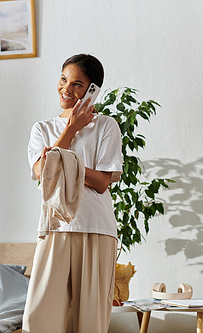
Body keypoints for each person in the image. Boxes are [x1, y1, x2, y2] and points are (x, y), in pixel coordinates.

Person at [24, 54, 123, 333]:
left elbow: (103, 182)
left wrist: (62, 162)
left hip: (97, 228)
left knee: (90, 323)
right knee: (39, 320)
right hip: (55, 227)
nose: (66, 89)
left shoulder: (106, 126)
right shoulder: (42, 129)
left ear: (93, 91)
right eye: (64, 79)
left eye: (77, 84)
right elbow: (43, 173)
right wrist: (71, 129)